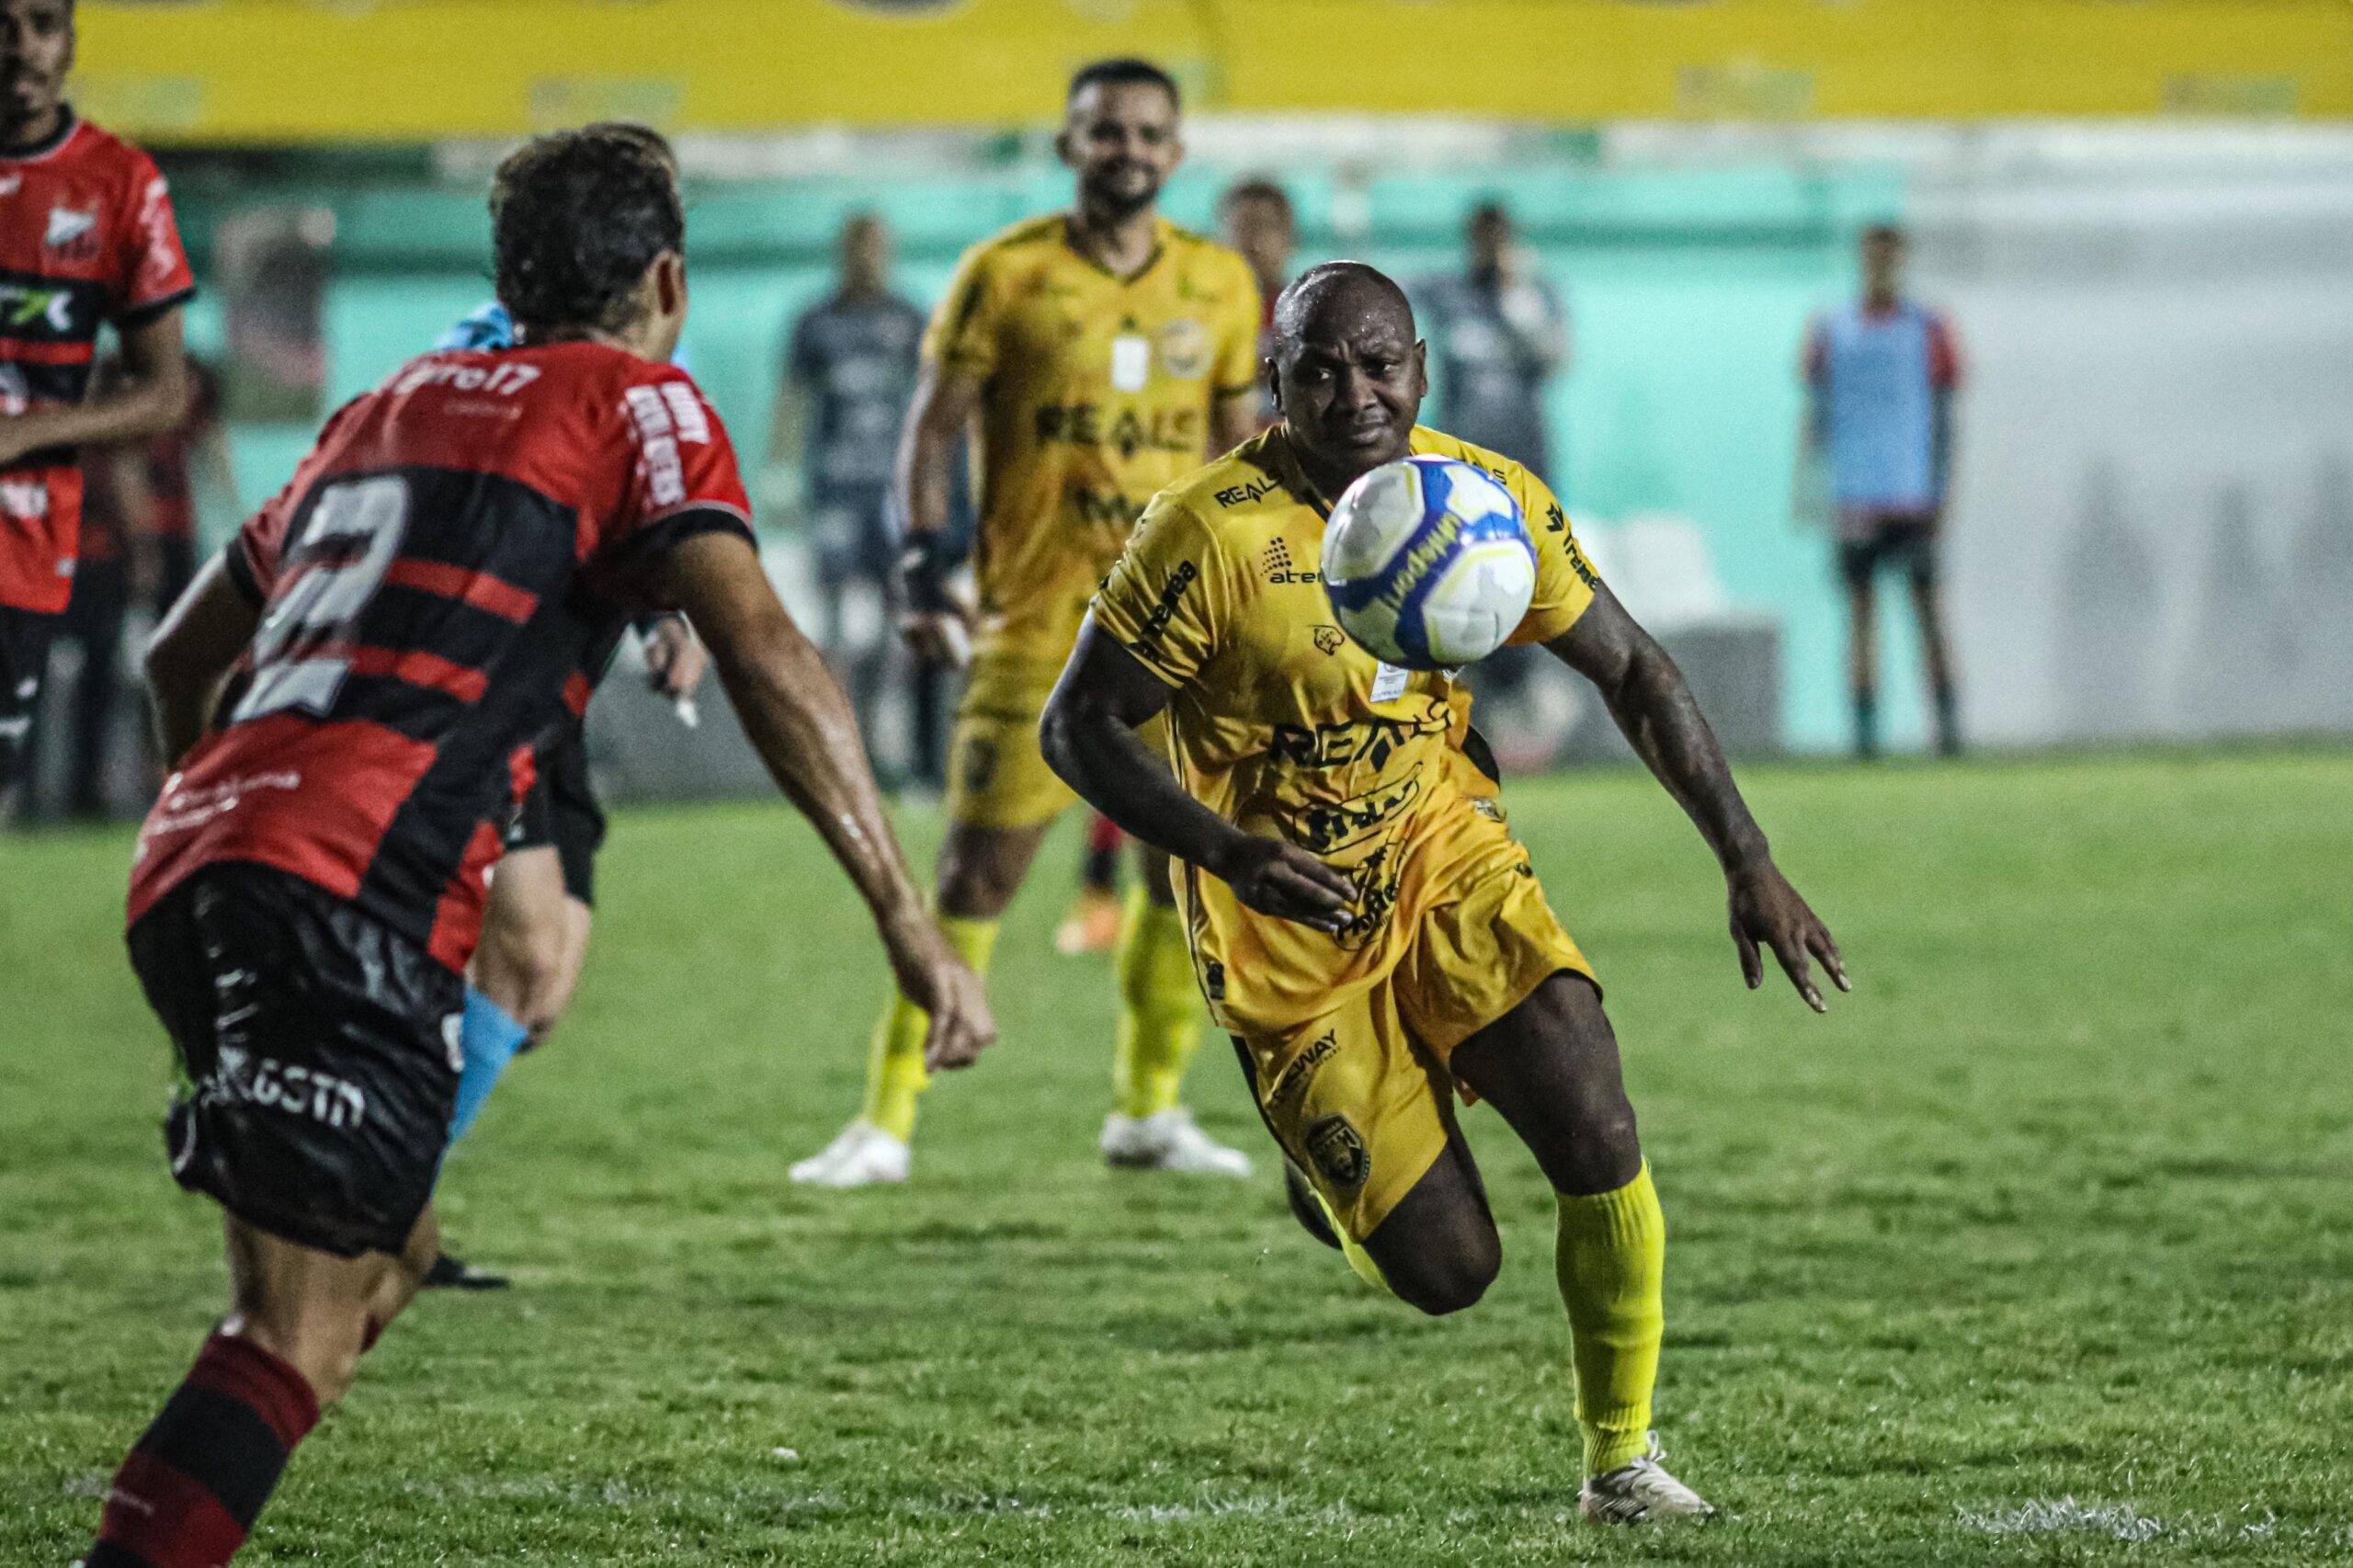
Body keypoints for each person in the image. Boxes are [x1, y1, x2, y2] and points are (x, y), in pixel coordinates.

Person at [85, 127, 993, 1567]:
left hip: (195, 863)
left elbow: (180, 649)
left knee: (398, 1256)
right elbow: (769, 653)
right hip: (345, 886)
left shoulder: (385, 404)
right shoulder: (640, 399)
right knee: (295, 1333)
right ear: (667, 279)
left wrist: (226, 813)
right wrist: (905, 915)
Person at [1040, 262, 1847, 1522]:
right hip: (1284, 923)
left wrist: (1747, 856)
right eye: (1319, 365)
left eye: (1378, 363)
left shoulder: (1487, 502)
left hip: (1440, 851)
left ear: (1420, 362)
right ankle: (1335, 1183)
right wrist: (1229, 848)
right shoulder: (1207, 533)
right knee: (1451, 1269)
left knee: (1597, 1120)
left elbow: (1631, 667)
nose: (1354, 391)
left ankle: (1620, 1463)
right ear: (1277, 377)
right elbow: (1079, 727)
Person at [790, 58, 1267, 1187]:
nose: (1129, 151)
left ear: (1177, 151)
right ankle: (887, 1122)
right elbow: (934, 425)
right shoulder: (1003, 274)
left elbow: (1242, 450)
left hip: (1181, 632)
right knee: (974, 877)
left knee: (1179, 874)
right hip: (1036, 625)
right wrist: (920, 561)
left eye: (1150, 133)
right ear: (1067, 144)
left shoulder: (1221, 286)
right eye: (1106, 132)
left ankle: (1147, 1112)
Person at [422, 124, 708, 1293]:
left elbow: (643, 526)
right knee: (525, 949)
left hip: (557, 698)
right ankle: (367, 1198)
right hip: (481, 699)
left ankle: (379, 1188)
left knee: (540, 977)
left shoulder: (648, 378)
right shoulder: (489, 362)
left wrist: (665, 615)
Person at [0, 0, 193, 812]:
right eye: (2, 23)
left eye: (44, 24)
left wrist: (33, 433)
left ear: (71, 42)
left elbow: (164, 393)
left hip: (25, 540)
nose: (22, 48)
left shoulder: (119, 185)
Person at [1799, 223, 1964, 758]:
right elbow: (1815, 415)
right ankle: (1865, 739)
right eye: (1873, 256)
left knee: (1927, 611)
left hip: (1913, 495)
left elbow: (1945, 418)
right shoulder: (1832, 329)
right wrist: (1808, 488)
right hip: (1855, 494)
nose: (1881, 267)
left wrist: (1945, 492)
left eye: (1890, 256)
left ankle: (1949, 731)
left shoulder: (1929, 328)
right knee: (1861, 615)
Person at [769, 212, 926, 772]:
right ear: (844, 253)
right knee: (834, 615)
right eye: (860, 248)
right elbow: (793, 399)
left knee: (895, 614)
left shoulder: (908, 319)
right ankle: (839, 738)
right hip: (835, 489)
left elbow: (930, 402)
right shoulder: (816, 322)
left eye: (878, 248)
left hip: (890, 492)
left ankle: (887, 738)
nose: (869, 259)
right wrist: (780, 473)